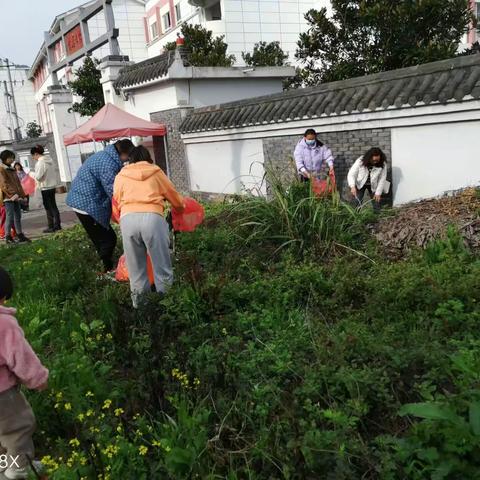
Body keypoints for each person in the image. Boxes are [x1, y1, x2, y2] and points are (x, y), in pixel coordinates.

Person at [113, 146, 185, 307]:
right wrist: (179, 209)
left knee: (136, 269)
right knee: (162, 266)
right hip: (152, 218)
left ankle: (141, 309)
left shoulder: (121, 175)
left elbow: (116, 199)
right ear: (148, 157)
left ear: (130, 159)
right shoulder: (156, 172)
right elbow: (173, 196)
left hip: (128, 219)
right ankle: (167, 307)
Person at [0, 266, 49, 479]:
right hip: (3, 393)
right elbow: (21, 356)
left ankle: (4, 463)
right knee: (18, 426)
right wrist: (37, 379)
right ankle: (19, 469)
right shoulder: (4, 324)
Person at [66, 139, 135, 274]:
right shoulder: (108, 163)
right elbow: (113, 190)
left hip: (84, 200)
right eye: (128, 157)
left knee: (102, 237)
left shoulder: (106, 156)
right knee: (108, 239)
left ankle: (105, 265)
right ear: (123, 153)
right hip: (85, 203)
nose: (127, 160)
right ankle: (106, 268)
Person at [0, 151, 30, 245]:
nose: (12, 159)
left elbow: (18, 184)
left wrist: (22, 195)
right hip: (9, 198)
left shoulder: (12, 169)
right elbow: (4, 184)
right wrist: (13, 195)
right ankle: (8, 236)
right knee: (9, 217)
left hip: (16, 197)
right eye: (10, 158)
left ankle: (19, 234)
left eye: (13, 157)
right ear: (4, 158)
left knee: (18, 216)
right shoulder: (1, 169)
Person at [347, 147, 388, 212]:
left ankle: (377, 217)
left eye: (377, 160)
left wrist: (378, 193)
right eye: (373, 160)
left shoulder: (382, 164)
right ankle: (355, 217)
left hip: (374, 185)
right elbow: (351, 174)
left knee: (376, 203)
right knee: (357, 202)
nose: (375, 162)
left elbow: (382, 179)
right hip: (360, 184)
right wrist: (352, 186)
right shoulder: (360, 161)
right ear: (369, 157)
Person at [31, 145, 61, 233]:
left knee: (48, 208)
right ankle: (57, 225)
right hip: (52, 186)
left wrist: (31, 174)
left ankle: (52, 226)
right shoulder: (49, 160)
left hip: (45, 188)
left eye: (33, 156)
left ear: (36, 154)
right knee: (53, 206)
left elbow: (38, 177)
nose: (33, 158)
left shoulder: (41, 162)